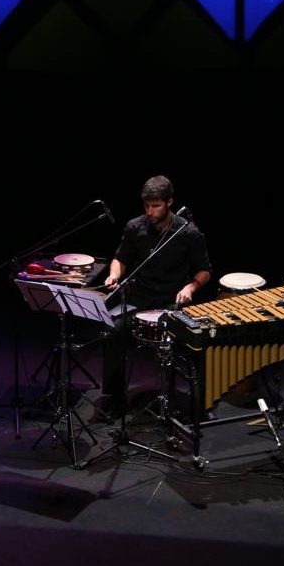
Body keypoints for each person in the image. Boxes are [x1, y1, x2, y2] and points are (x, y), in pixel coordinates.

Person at [100, 175, 212, 416]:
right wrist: (114, 275)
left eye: (156, 206)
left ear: (170, 202)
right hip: (139, 299)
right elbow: (121, 258)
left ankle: (202, 403)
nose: (150, 211)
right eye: (147, 206)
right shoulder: (134, 227)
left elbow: (205, 271)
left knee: (199, 340)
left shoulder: (188, 232)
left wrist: (190, 288)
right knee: (112, 330)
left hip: (172, 303)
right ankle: (115, 399)